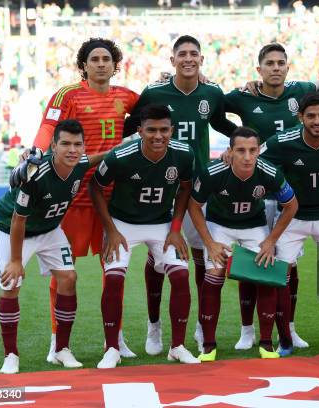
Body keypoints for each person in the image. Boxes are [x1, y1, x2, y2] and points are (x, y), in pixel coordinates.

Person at [26, 38, 140, 362]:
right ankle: (56, 341)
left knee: (114, 269)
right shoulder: (68, 94)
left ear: (115, 64)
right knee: (64, 271)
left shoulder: (126, 97)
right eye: (95, 59)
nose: (101, 63)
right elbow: (48, 126)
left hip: (110, 198)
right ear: (84, 65)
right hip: (71, 197)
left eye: (107, 58)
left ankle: (115, 337)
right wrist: (36, 150)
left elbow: (153, 107)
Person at [124, 35, 237, 354]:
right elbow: (130, 126)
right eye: (182, 54)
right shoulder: (154, 92)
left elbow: (223, 123)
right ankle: (154, 327)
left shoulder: (212, 92)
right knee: (156, 259)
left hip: (198, 187)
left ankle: (203, 326)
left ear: (202, 60)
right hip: (161, 187)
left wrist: (238, 145)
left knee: (202, 257)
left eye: (194, 54)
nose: (188, 58)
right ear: (172, 60)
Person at [90, 105, 198, 368]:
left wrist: (175, 229)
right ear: (140, 131)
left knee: (182, 275)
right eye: (151, 130)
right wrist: (112, 230)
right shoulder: (120, 156)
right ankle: (112, 348)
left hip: (161, 223)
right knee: (114, 279)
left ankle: (178, 346)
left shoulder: (184, 154)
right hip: (123, 223)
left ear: (172, 130)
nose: (158, 136)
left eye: (164, 130)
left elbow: (185, 189)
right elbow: (95, 186)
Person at [223, 43, 315, 350]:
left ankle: (288, 327)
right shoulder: (243, 96)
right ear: (259, 69)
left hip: (290, 190)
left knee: (288, 264)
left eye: (281, 63)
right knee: (253, 261)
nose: (275, 68)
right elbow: (211, 108)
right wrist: (233, 141)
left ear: (288, 67)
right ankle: (247, 329)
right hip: (257, 192)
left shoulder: (300, 90)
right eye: (269, 63)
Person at [0, 120, 101, 374]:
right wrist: (16, 261)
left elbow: (95, 159)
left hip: (50, 229)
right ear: (53, 145)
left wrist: (124, 148)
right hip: (11, 230)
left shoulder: (80, 164)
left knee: (69, 278)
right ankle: (10, 355)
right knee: (11, 283)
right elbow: (18, 219)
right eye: (65, 144)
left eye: (77, 144)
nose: (72, 150)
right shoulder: (36, 174)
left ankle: (61, 349)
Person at [260, 92, 319, 355]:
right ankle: (285, 340)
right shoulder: (282, 141)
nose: (317, 121)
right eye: (311, 116)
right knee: (281, 276)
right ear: (300, 117)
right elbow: (255, 161)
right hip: (293, 218)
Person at [189, 126, 298, 361]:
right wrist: (209, 242)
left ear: (259, 150)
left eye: (252, 150)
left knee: (265, 271)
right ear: (230, 151)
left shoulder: (269, 172)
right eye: (240, 151)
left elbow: (292, 205)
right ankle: (208, 345)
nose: (247, 157)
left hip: (254, 226)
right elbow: (194, 206)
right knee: (214, 275)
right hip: (220, 225)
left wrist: (270, 241)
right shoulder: (213, 171)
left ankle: (266, 343)